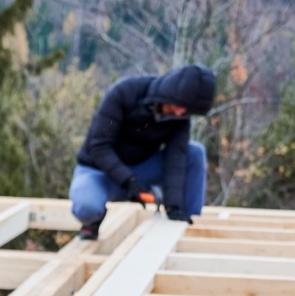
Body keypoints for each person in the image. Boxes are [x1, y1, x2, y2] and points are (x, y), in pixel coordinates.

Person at [69, 64, 217, 239]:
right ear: (171, 93)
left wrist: (173, 206)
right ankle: (92, 222)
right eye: (179, 105)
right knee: (87, 208)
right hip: (99, 171)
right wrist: (129, 182)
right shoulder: (124, 93)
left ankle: (187, 220)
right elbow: (99, 147)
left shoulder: (180, 118)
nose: (179, 112)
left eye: (187, 110)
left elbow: (175, 160)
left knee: (194, 153)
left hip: (140, 170)